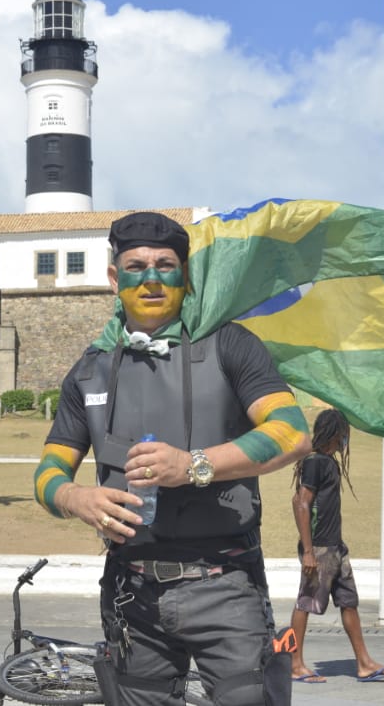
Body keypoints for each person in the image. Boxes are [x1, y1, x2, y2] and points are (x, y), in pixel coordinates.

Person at [33, 211, 312, 706]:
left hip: (225, 584)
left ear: (184, 277)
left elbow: (290, 432)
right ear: (115, 278)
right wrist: (74, 497)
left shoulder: (229, 344)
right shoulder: (91, 369)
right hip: (131, 590)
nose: (153, 277)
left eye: (166, 265)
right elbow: (47, 473)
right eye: (137, 266)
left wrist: (194, 465)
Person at [287, 408, 384, 683]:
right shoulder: (314, 462)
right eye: (343, 434)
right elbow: (301, 502)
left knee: (349, 602)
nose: (345, 440)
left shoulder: (328, 462)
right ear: (333, 433)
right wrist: (309, 552)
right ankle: (294, 664)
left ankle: (364, 663)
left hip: (336, 547)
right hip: (321, 549)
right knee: (305, 603)